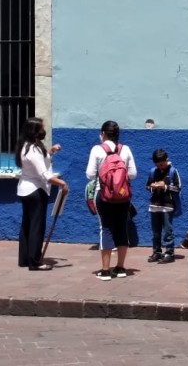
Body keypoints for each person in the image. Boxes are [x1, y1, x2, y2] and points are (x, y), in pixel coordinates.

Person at [86, 120, 137, 281]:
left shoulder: (97, 149)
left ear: (103, 134)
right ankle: (121, 268)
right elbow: (133, 174)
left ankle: (105, 270)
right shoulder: (125, 149)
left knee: (105, 229)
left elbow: (90, 174)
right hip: (123, 197)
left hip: (103, 196)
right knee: (122, 228)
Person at [16, 117, 68, 271]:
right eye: (41, 128)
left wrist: (50, 152)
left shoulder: (26, 147)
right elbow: (45, 174)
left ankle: (24, 259)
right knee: (37, 227)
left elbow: (39, 164)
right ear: (34, 131)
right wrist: (62, 183)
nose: (43, 131)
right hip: (36, 191)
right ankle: (34, 262)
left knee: (27, 225)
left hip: (25, 189)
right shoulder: (34, 150)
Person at [146, 148, 182, 264]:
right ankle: (156, 252)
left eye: (162, 164)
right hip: (155, 205)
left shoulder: (173, 171)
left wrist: (165, 186)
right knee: (156, 231)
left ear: (167, 160)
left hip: (167, 205)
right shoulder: (153, 172)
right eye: (158, 165)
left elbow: (178, 187)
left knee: (168, 230)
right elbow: (147, 186)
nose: (160, 167)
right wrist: (152, 186)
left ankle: (169, 252)